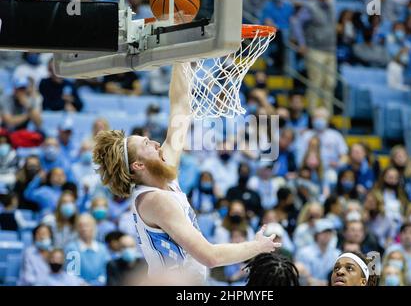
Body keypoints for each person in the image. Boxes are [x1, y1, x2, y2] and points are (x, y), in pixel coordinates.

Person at [92, 63, 280, 284]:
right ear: (138, 166)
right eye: (147, 144)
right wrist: (256, 247)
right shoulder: (154, 200)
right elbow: (210, 256)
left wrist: (182, 58)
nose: (155, 143)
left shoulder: (163, 176)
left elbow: (180, 109)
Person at [291, 0, 336, 114]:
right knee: (316, 83)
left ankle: (327, 114)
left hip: (330, 50)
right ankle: (312, 113)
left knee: (330, 83)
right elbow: (296, 22)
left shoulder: (332, 7)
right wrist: (302, 43)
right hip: (315, 49)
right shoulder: (310, 6)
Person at [64, 214, 111, 285]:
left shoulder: (102, 249)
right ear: (77, 229)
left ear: (93, 227)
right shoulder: (72, 248)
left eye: (87, 225)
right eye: (80, 226)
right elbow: (72, 275)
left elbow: (106, 272)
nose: (84, 228)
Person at [295, 219, 341, 285]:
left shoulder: (337, 254)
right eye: (323, 232)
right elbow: (305, 278)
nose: (327, 235)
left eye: (329, 232)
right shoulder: (304, 252)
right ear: (316, 234)